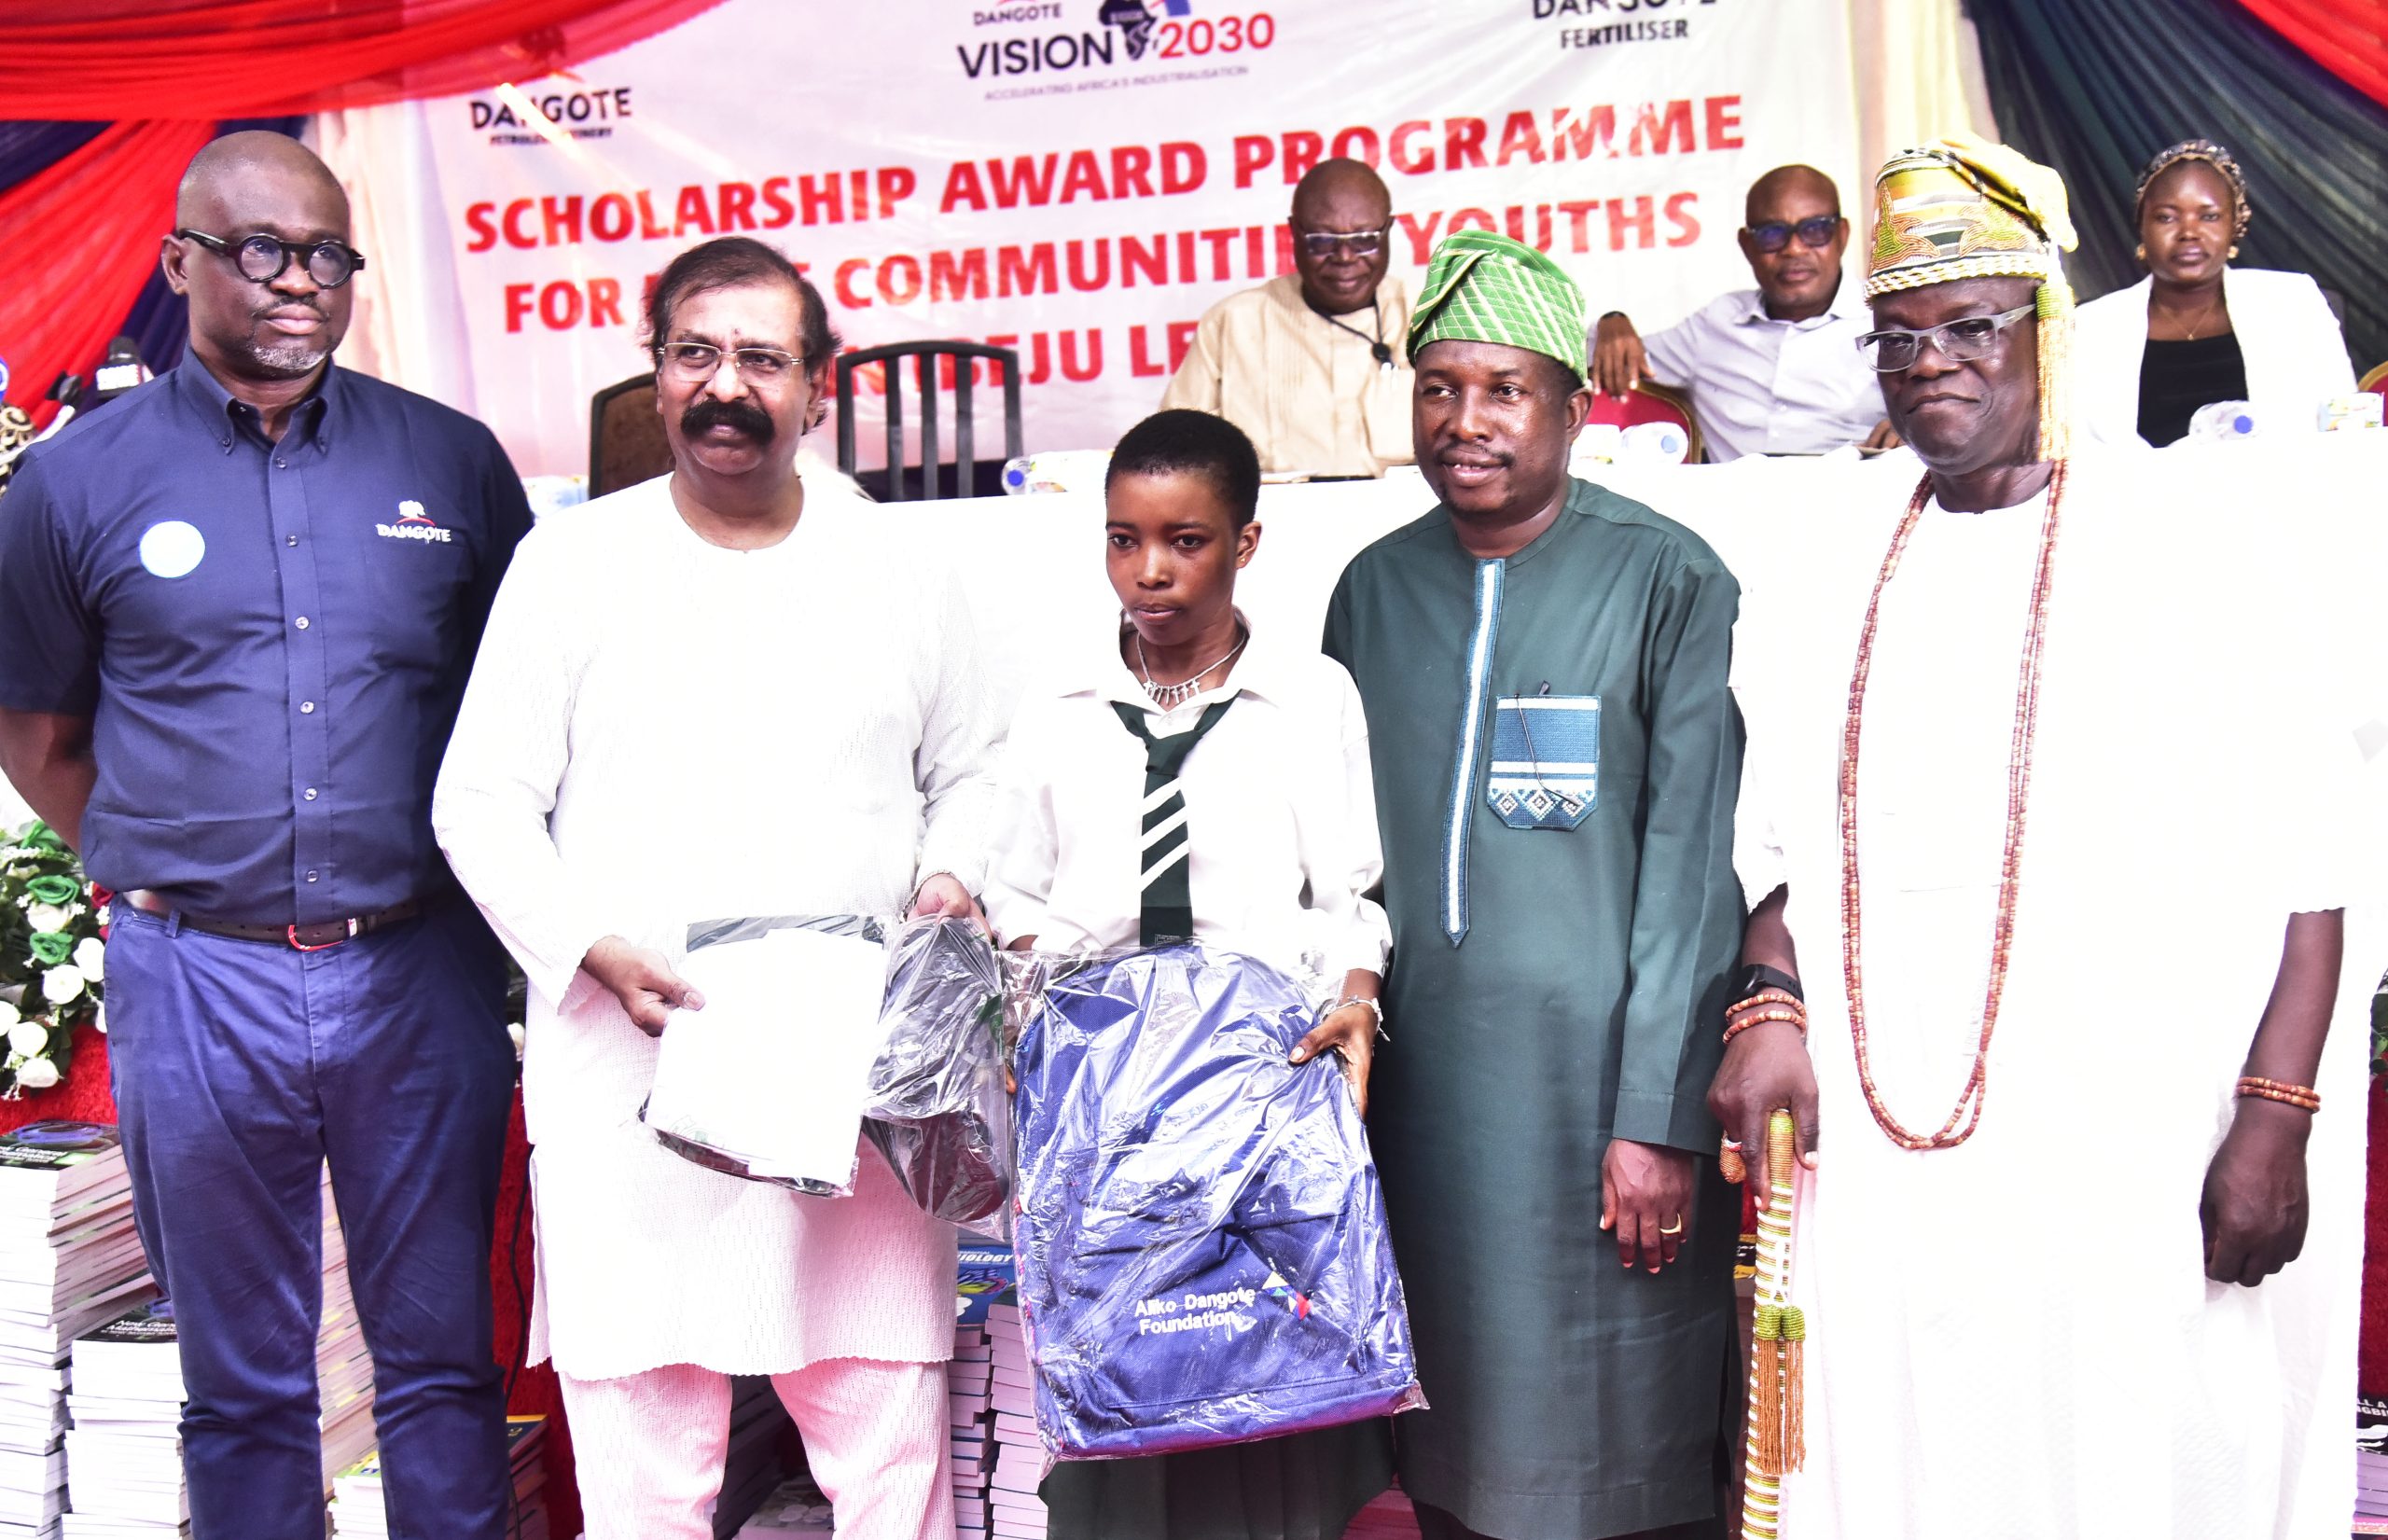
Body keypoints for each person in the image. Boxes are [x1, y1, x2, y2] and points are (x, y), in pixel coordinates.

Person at [1715, 138, 2369, 1537]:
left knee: (2136, 1451)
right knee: (1926, 1451)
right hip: (1903, 1154)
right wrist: (1765, 1001)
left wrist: (2277, 1111)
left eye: (1969, 327)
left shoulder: (2191, 537)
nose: (1931, 361)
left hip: (2138, 1135)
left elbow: (2316, 849)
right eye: (1899, 337)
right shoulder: (1831, 567)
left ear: (2043, 330)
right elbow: (1781, 838)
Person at [0, 132, 530, 1539]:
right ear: (180, 263)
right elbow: (41, 732)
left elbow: (519, 722)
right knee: (239, 1383)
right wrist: (187, 863)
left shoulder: (452, 463)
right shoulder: (72, 482)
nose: (301, 281)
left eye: (327, 254)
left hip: (420, 970)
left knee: (438, 1364)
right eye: (261, 249)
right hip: (197, 978)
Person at [430, 236, 998, 1540]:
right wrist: (589, 947)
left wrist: (951, 877)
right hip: (632, 1065)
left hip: (854, 1074)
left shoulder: (898, 564)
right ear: (656, 375)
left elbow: (977, 767)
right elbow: (479, 802)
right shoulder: (571, 565)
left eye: (760, 356)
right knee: (643, 1460)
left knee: (886, 1437)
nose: (724, 384)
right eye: (695, 353)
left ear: (820, 383)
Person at [1323, 229, 1744, 1540]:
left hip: (1600, 1111)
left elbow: (1694, 869)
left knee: (1620, 1449)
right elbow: (1339, 864)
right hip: (1426, 1110)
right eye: (1440, 386)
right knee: (1448, 1447)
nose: (1466, 421)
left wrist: (1661, 1116)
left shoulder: (1669, 578)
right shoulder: (1371, 591)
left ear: (1572, 405)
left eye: (1504, 389)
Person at [985, 407, 1395, 1540]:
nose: (1149, 571)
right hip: (1100, 1090)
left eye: (1186, 539)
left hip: (1257, 1079)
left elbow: (1346, 893)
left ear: (1246, 543)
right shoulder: (1057, 708)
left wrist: (1355, 1002)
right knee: (1119, 1380)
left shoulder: (1309, 697)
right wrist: (1039, 1025)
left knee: (1259, 1357)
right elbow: (1015, 897)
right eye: (1124, 539)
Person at [1590, 164, 1895, 460]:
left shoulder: (1887, 321)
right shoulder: (1715, 325)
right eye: (1772, 234)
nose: (1794, 249)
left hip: (1854, 501)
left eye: (1814, 230)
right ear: (1747, 245)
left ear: (1841, 236)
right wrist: (1611, 324)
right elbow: (1585, 355)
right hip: (1734, 506)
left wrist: (1911, 429)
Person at [2074, 137, 2355, 446]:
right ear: (2142, 226)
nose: (2189, 233)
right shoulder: (2091, 326)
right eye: (2166, 217)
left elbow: (2344, 429)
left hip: (2278, 490)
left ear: (2235, 224)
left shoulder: (2293, 302)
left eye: (2209, 216)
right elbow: (2076, 452)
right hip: (2140, 493)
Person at [1160, 159, 1413, 477]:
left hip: (1407, 514)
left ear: (1388, 231)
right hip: (1273, 517)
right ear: (1294, 232)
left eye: (1364, 240)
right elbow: (1174, 453)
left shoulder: (1427, 315)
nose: (1345, 258)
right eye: (1322, 241)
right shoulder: (1232, 323)